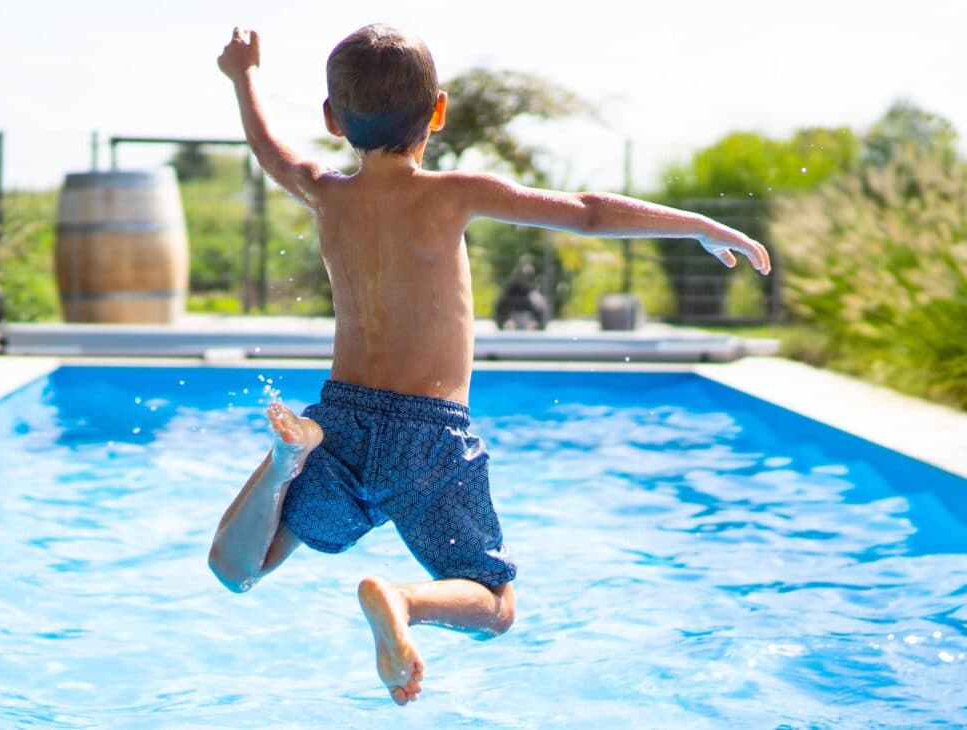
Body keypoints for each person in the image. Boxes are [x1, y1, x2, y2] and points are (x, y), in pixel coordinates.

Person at [204, 24, 770, 706]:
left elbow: (269, 151)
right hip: (429, 435)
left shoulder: (326, 192)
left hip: (340, 420)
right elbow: (588, 213)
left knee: (240, 569)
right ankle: (403, 601)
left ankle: (281, 464)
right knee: (497, 604)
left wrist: (244, 77)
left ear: (332, 119)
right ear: (437, 113)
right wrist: (700, 225)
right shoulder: (453, 194)